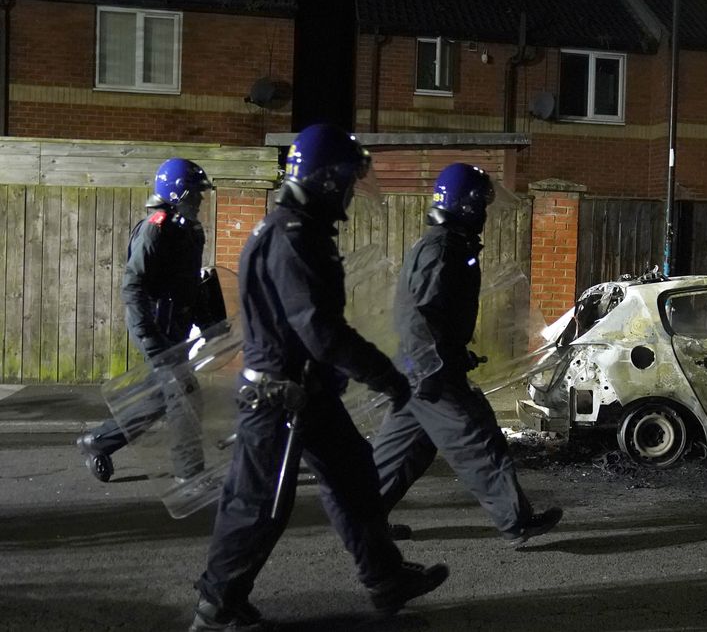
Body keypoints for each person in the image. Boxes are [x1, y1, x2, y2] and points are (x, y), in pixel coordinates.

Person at [190, 124, 447, 631]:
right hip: (280, 398)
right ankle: (217, 608)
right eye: (349, 178)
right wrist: (385, 375)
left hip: (308, 393)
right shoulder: (292, 237)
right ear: (326, 179)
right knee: (259, 504)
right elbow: (320, 331)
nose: (353, 189)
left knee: (356, 482)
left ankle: (386, 578)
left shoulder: (297, 230)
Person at [371, 162, 562, 546]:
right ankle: (516, 522)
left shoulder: (451, 245)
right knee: (479, 440)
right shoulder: (442, 249)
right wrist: (437, 367)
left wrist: (455, 354)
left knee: (403, 452)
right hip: (430, 374)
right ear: (468, 205)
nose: (487, 215)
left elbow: (436, 317)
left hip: (422, 369)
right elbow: (418, 316)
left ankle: (361, 519)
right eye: (483, 206)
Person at [76, 158, 215, 483]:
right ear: (178, 194)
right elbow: (133, 285)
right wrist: (148, 337)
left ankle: (98, 441)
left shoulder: (190, 231)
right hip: (154, 326)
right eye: (196, 194)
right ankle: (190, 476)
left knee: (161, 396)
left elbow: (190, 282)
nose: (201, 200)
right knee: (183, 395)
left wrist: (207, 321)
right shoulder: (156, 229)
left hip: (175, 327)